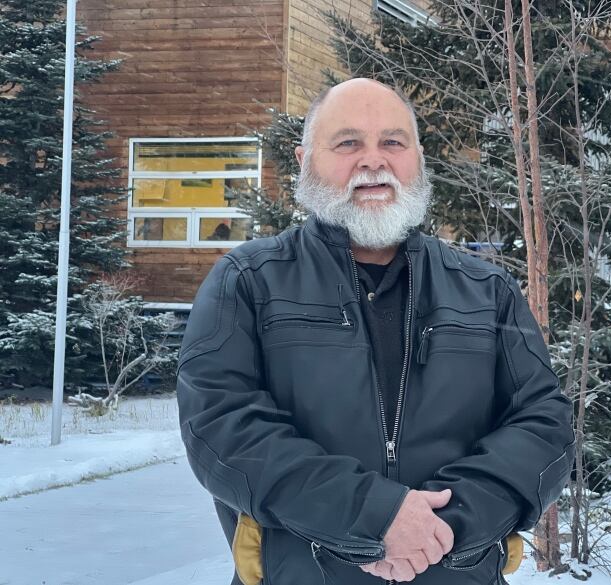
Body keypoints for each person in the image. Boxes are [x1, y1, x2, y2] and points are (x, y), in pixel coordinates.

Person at [176, 78, 574, 585]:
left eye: (392, 142)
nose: (373, 161)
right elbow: (222, 428)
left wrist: (441, 529)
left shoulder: (486, 289)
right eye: (348, 143)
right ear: (304, 159)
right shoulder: (249, 281)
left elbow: (544, 425)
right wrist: (377, 516)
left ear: (417, 158)